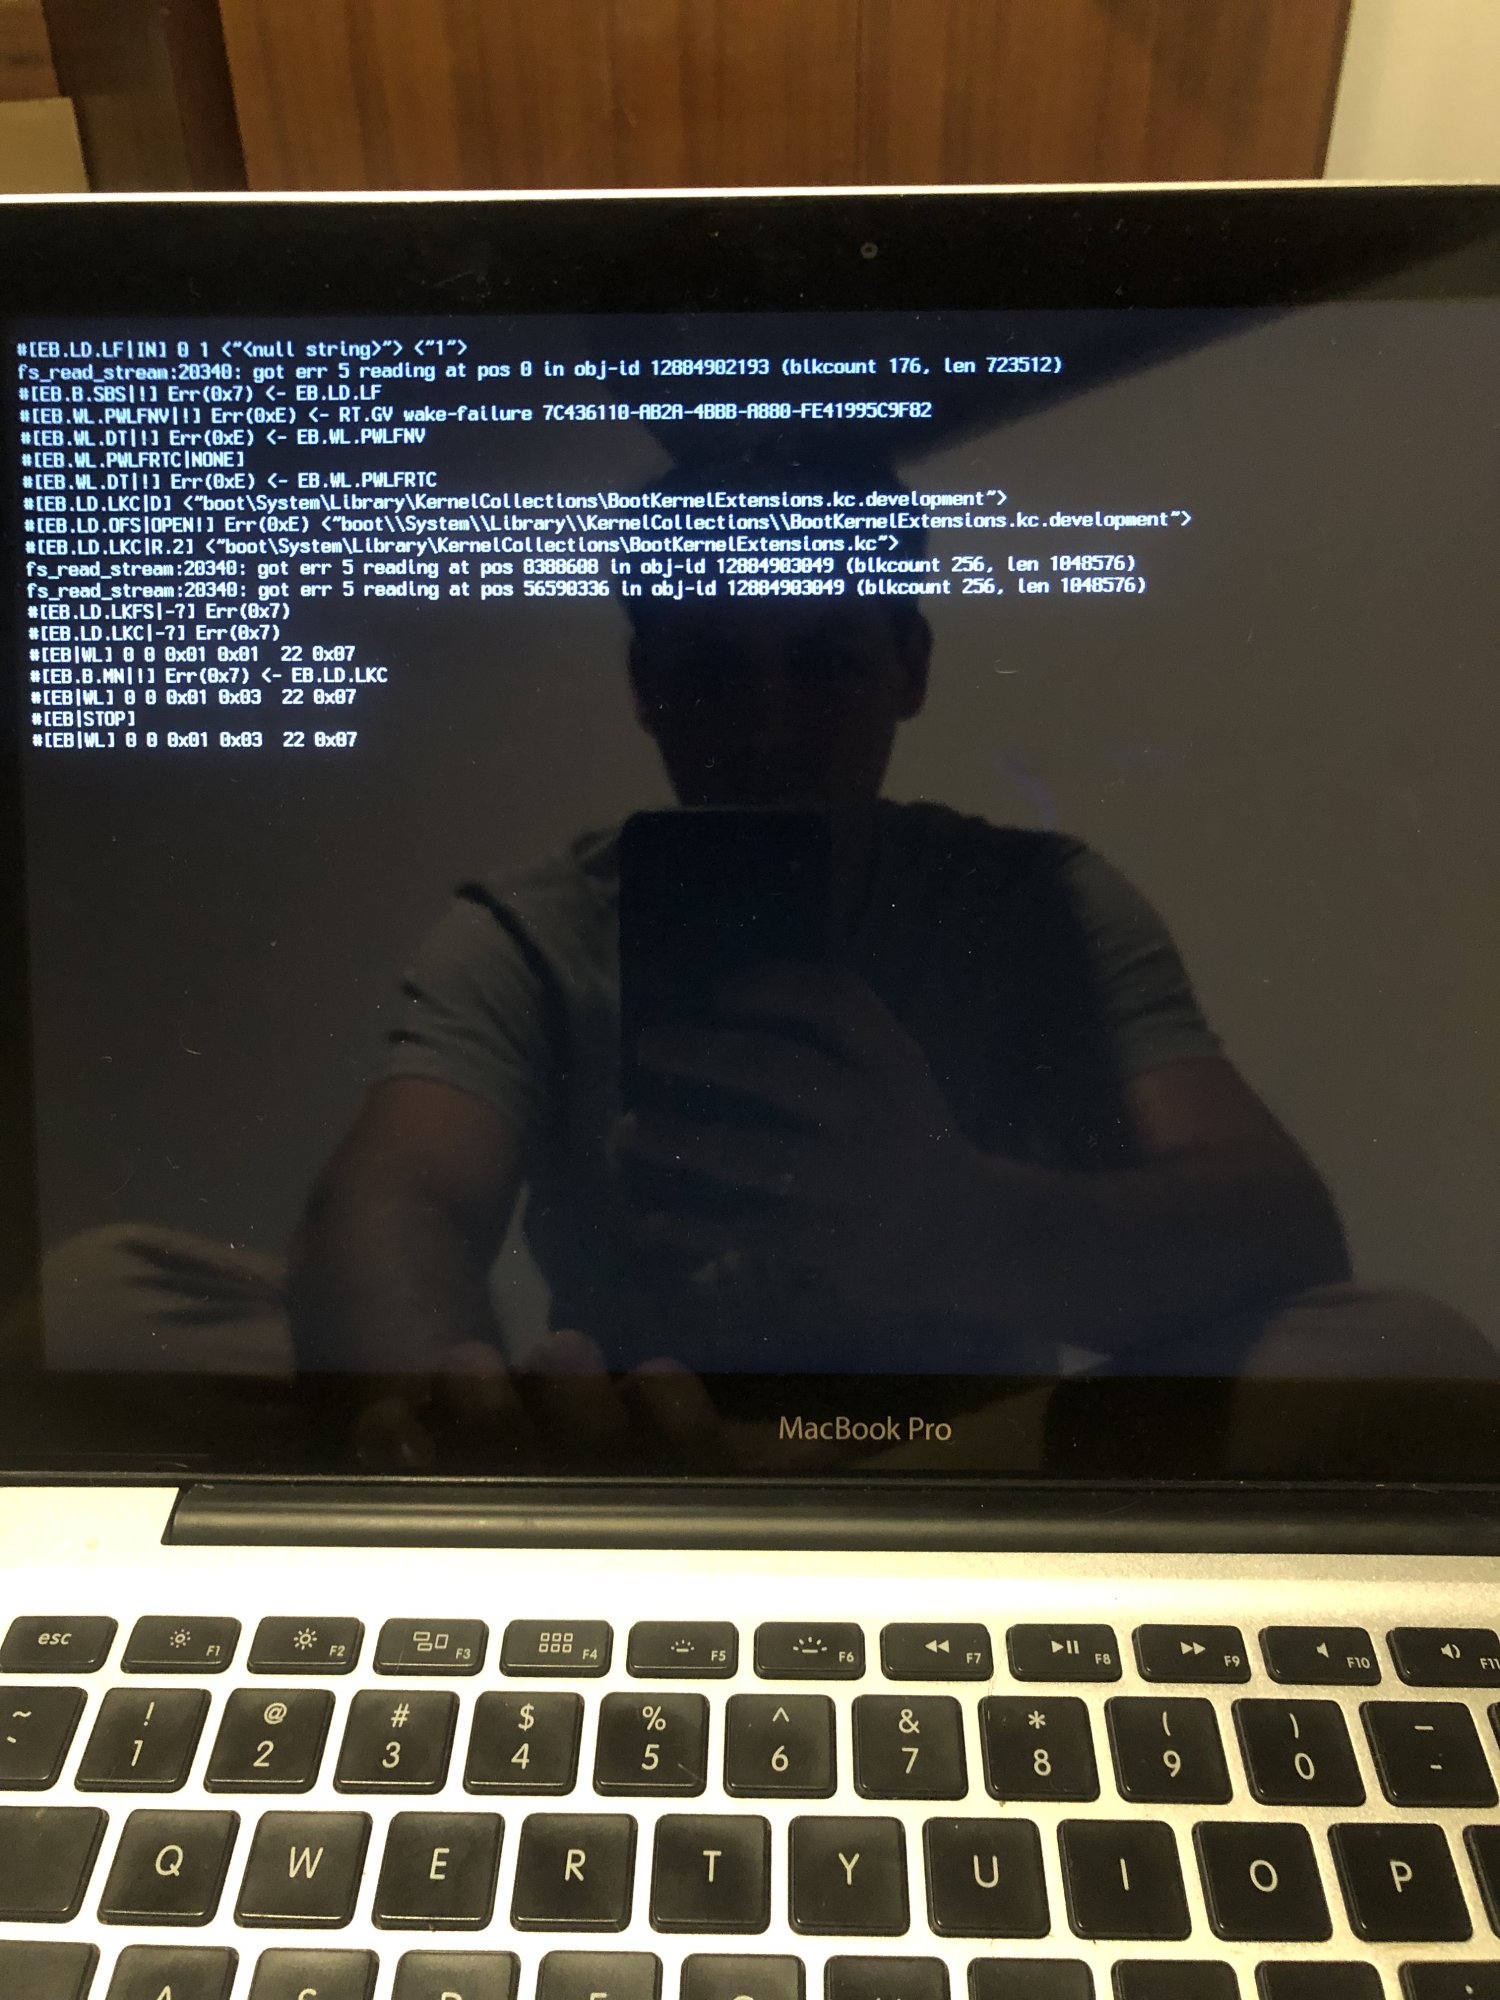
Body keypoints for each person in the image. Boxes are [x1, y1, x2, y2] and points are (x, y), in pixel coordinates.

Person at [288, 472, 1356, 1415]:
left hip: (964, 1469)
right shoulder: (529, 934)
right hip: (652, 1471)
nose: (767, 729)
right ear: (646, 684)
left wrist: (954, 1221)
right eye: (712, 670)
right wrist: (453, 1418)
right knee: (177, 1306)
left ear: (910, 665)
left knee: (1386, 1347)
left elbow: (1278, 1225)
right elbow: (396, 1197)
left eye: (825, 662)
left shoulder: (1038, 903)